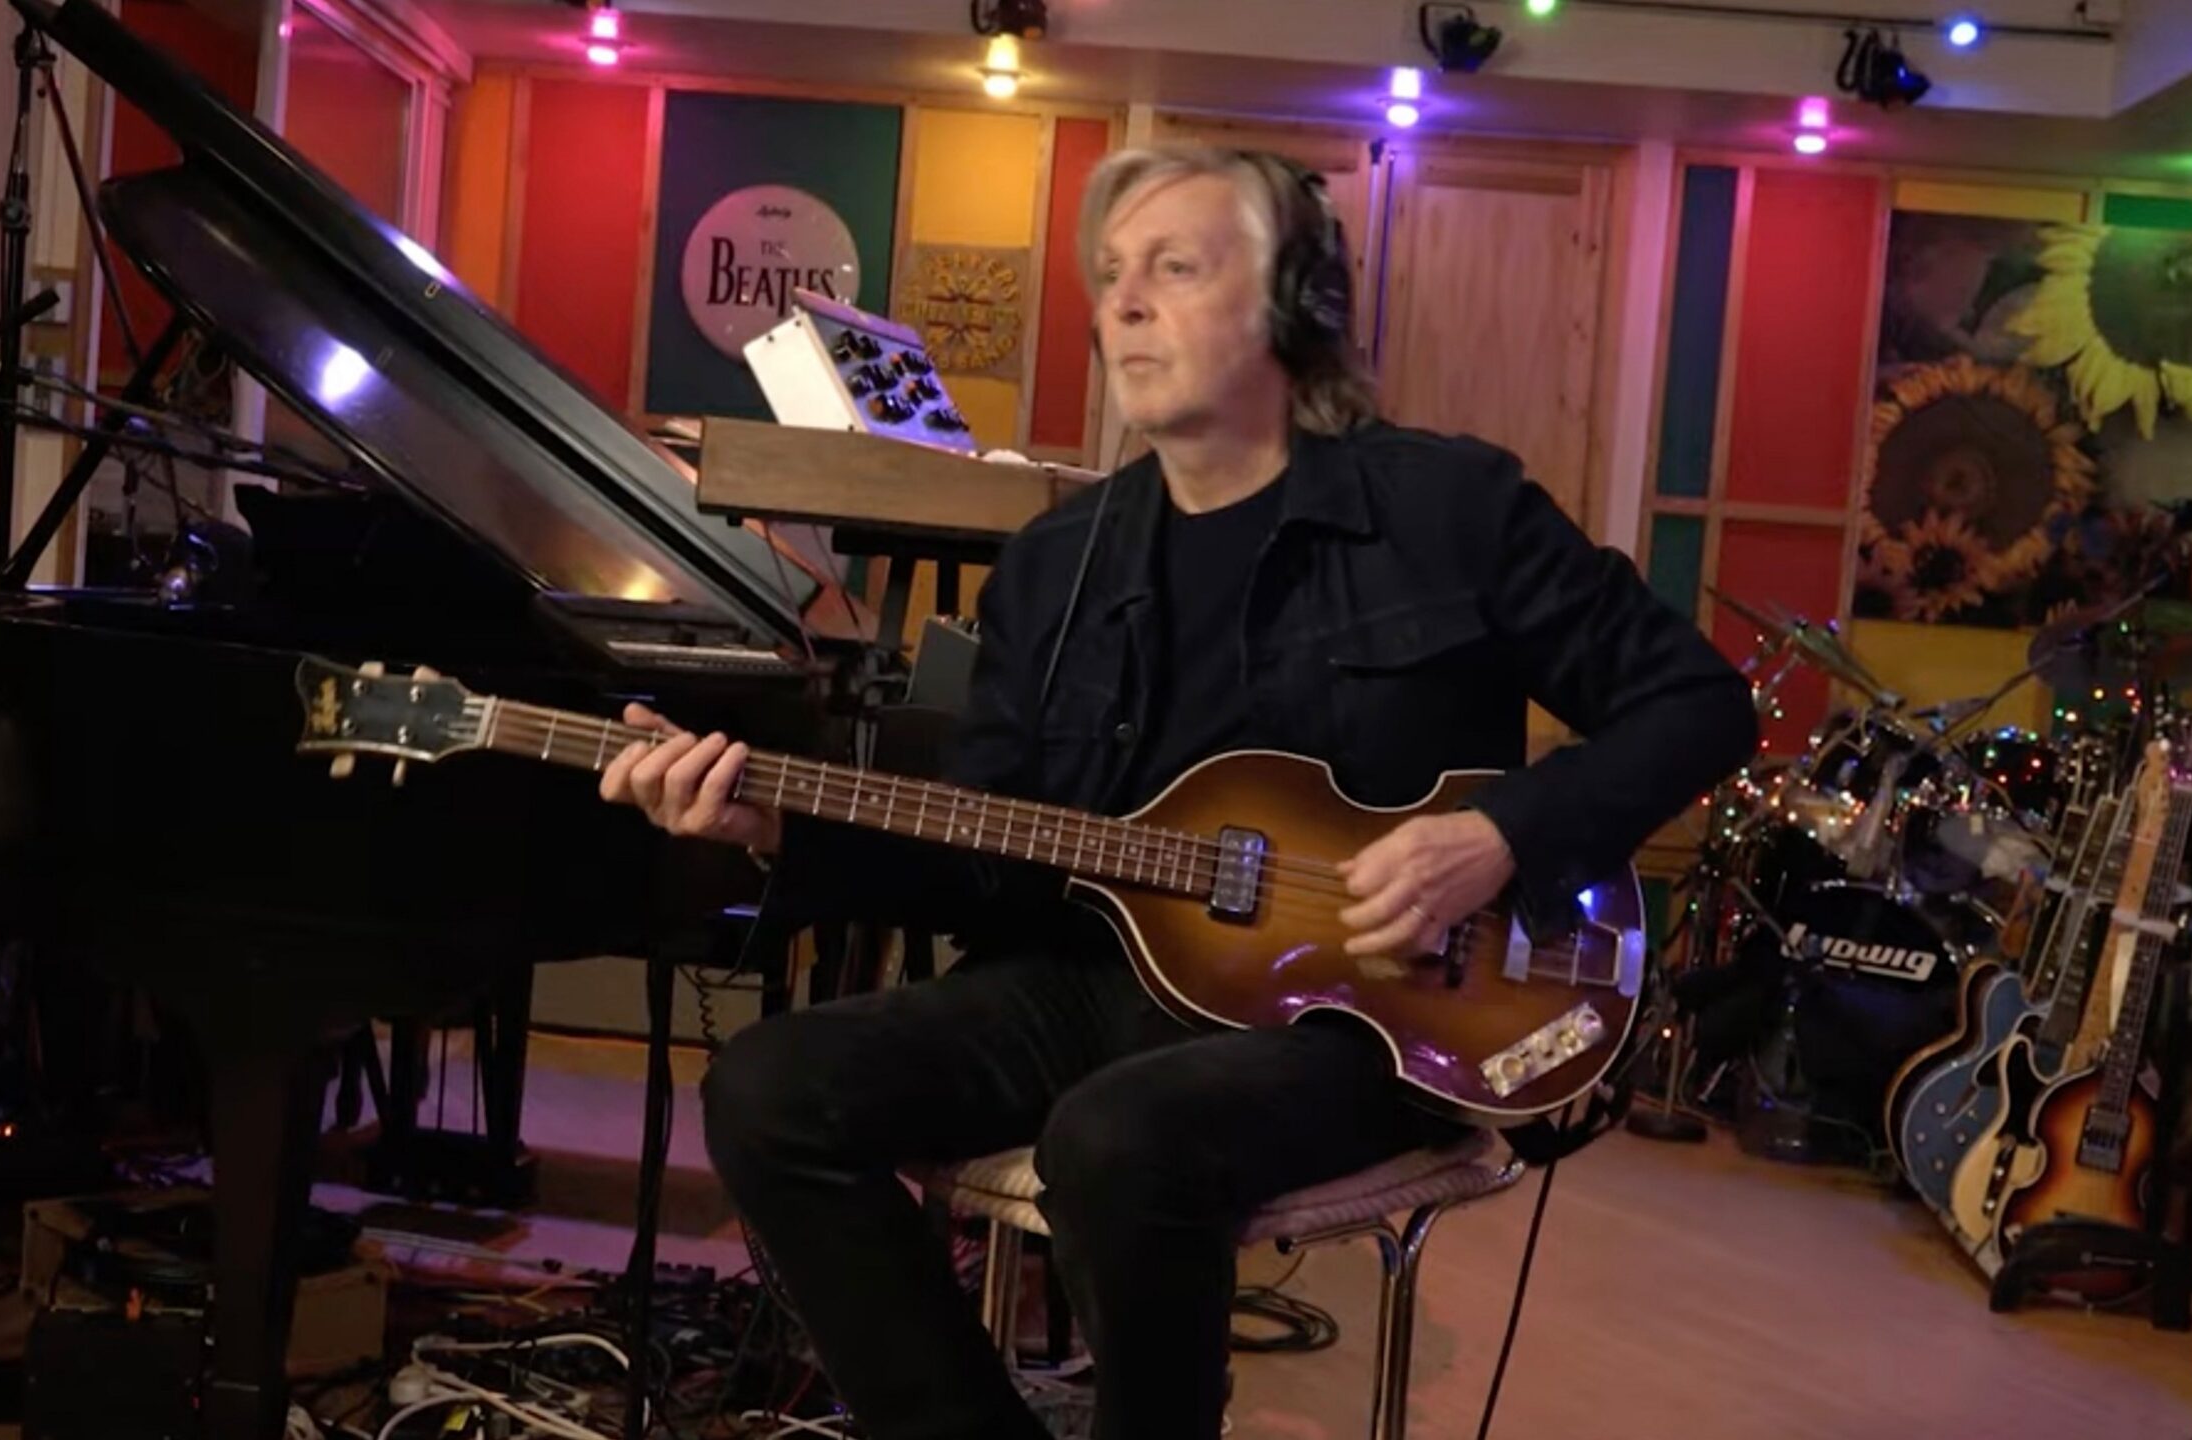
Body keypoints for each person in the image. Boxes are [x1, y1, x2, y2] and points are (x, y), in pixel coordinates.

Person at [600, 142, 1758, 1440]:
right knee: (770, 1090)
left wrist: (1496, 837)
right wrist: (772, 826)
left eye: (1176, 268)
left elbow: (1700, 705)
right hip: (1093, 980)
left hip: (1358, 1016)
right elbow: (984, 852)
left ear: (1297, 303)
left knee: (1119, 1138)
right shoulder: (1055, 564)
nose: (1126, 304)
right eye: (1111, 274)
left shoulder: (1450, 509)